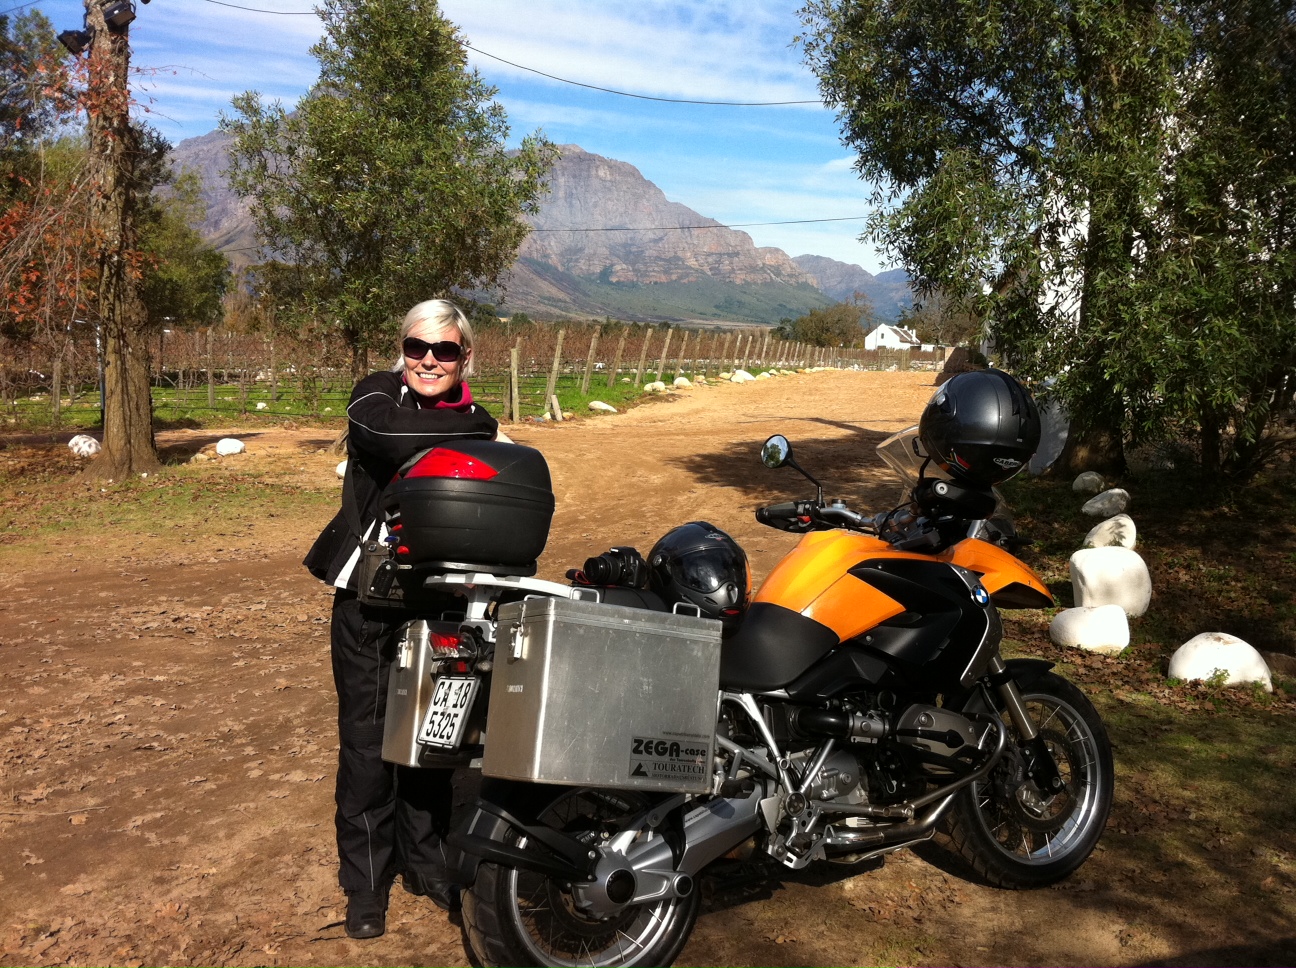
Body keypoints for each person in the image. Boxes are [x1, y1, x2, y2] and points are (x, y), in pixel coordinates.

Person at [303, 298, 502, 939]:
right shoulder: (376, 395)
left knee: (434, 740)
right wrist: (478, 429)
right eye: (417, 347)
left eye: (444, 350)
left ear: (465, 356)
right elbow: (386, 437)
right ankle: (366, 883)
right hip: (368, 600)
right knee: (366, 744)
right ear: (403, 349)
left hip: (441, 603)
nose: (428, 361)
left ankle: (426, 862)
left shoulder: (474, 417)